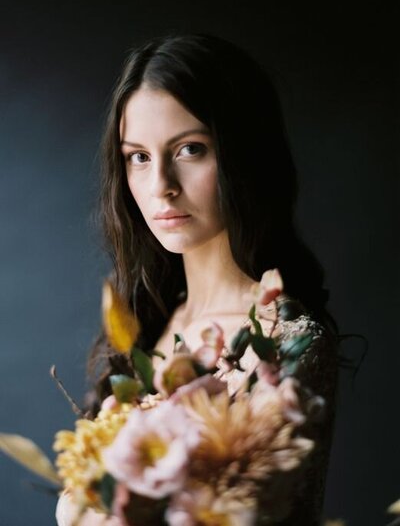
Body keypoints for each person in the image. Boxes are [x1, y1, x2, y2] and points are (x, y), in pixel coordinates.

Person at [56, 31, 340, 526]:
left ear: (241, 154)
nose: (160, 186)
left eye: (189, 149)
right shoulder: (149, 323)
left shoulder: (283, 341)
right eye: (138, 157)